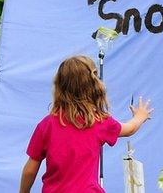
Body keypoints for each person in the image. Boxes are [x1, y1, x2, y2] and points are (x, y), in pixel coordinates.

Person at [18, 55, 153, 193]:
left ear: (60, 86)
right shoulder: (99, 121)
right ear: (93, 85)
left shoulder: (47, 125)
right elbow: (129, 129)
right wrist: (140, 116)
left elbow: (30, 170)